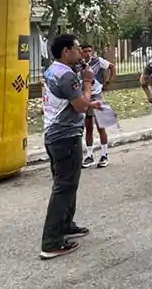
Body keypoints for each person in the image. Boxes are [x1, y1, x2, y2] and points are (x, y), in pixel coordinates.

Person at [40, 33, 101, 259]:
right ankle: (51, 241)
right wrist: (87, 82)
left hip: (53, 133)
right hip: (65, 135)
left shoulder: (52, 70)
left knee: (67, 184)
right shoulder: (67, 76)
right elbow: (80, 106)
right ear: (66, 52)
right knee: (65, 187)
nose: (80, 52)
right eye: (76, 48)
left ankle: (66, 224)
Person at [80, 44, 114, 169]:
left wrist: (108, 82)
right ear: (81, 53)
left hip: (97, 95)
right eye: (85, 51)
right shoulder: (78, 64)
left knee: (101, 125)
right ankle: (89, 155)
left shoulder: (98, 61)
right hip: (85, 96)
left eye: (90, 51)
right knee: (88, 127)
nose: (88, 53)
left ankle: (104, 154)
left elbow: (112, 67)